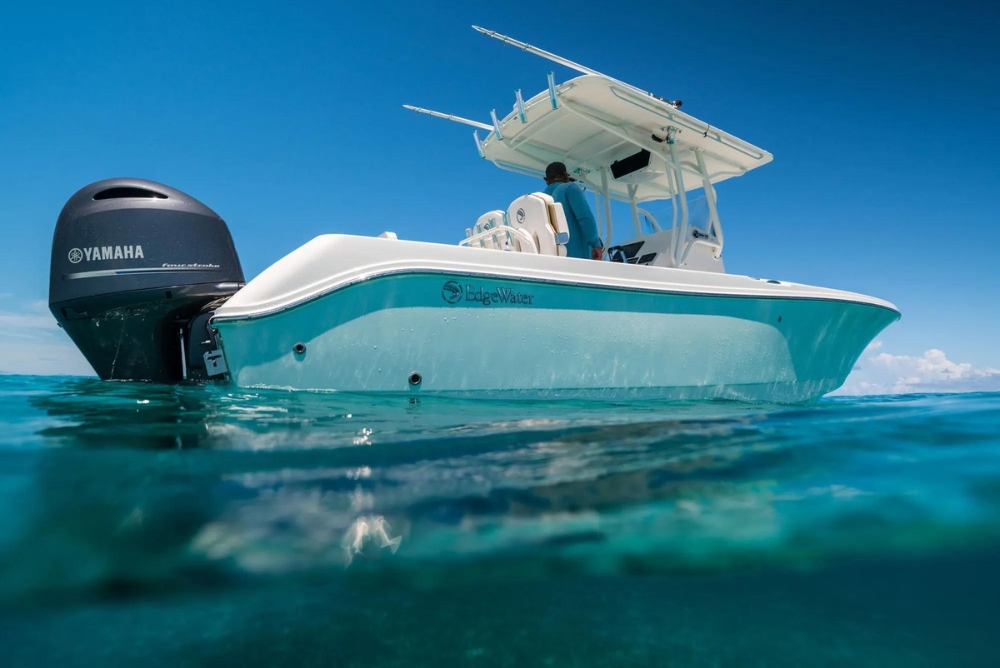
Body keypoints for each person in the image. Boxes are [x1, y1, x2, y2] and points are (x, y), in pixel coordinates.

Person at [543, 162, 603, 260]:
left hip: (553, 260)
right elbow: (585, 218)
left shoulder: (541, 198)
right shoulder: (570, 188)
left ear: (546, 180)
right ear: (565, 176)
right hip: (577, 259)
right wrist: (595, 244)